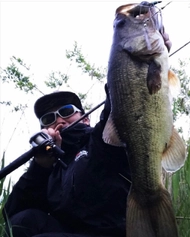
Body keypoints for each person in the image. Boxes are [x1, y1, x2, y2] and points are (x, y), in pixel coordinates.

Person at [3, 29, 172, 237]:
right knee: (23, 222)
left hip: (112, 232)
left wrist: (137, 65)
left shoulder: (100, 141)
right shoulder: (50, 170)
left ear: (85, 118)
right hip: (66, 233)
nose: (59, 120)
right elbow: (11, 218)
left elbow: (119, 108)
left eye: (66, 112)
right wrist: (39, 168)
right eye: (48, 119)